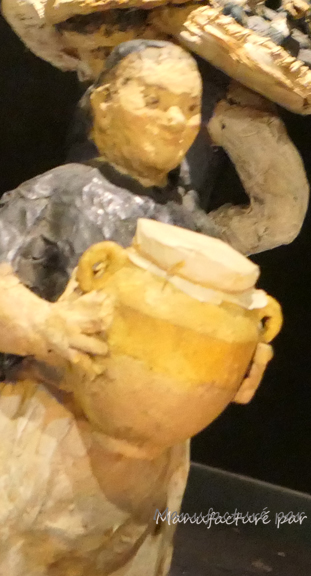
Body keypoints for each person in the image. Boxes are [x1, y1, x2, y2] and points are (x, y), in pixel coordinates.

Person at [0, 40, 243, 575]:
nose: (175, 120)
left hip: (151, 465)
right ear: (104, 102)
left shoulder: (194, 227)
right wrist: (44, 324)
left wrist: (238, 360)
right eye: (153, 101)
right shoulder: (60, 194)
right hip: (49, 438)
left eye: (189, 107)